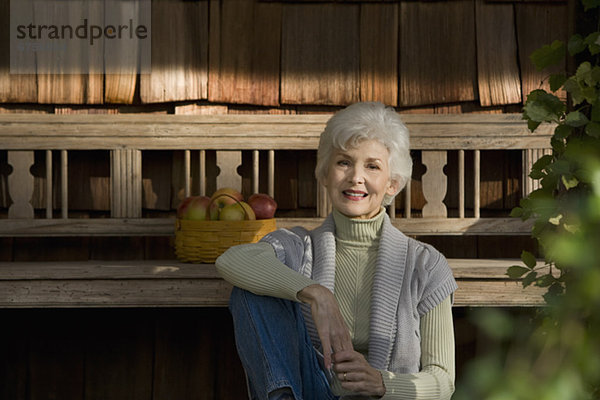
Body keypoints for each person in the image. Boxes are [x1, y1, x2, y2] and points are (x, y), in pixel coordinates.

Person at [216, 102, 458, 400]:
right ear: (325, 174)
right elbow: (232, 260)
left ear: (392, 183)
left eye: (372, 166)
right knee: (249, 291)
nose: (356, 176)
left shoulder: (425, 264)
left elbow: (443, 381)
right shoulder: (298, 247)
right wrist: (316, 293)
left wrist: (382, 383)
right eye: (344, 162)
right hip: (310, 392)